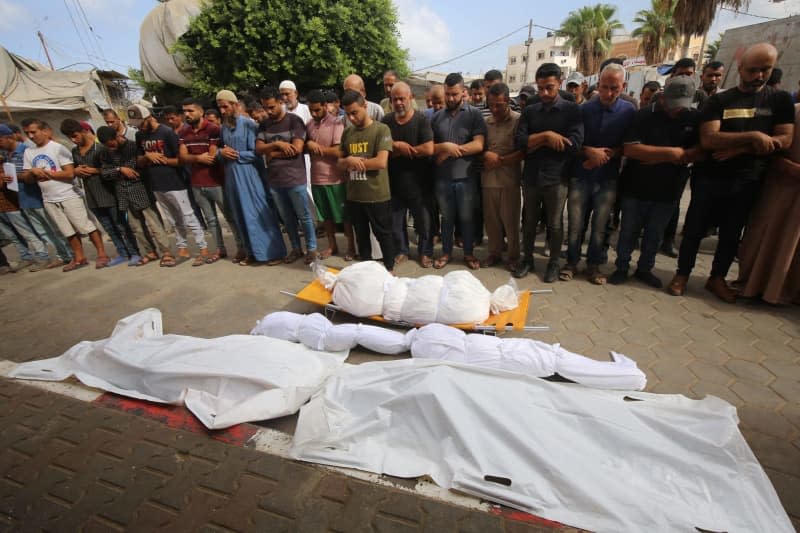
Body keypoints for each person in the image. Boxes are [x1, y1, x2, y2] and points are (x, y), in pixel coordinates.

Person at [668, 43, 795, 302]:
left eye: (765, 70)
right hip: (710, 177)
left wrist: (741, 148)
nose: (759, 76)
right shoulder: (721, 100)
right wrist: (755, 137)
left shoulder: (779, 100)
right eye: (753, 70)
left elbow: (784, 139)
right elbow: (710, 139)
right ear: (740, 69)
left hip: (748, 179)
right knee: (694, 228)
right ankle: (682, 274)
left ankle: (717, 278)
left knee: (731, 232)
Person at [610, 77, 704, 289]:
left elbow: (700, 151)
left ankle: (645, 269)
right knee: (628, 232)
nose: (675, 110)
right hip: (636, 187)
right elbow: (631, 149)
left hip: (669, 190)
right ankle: (622, 267)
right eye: (672, 104)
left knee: (655, 234)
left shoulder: (693, 117)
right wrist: (673, 154)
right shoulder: (644, 115)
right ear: (662, 97)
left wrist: (654, 156)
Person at [563, 63, 635, 284]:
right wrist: (589, 152)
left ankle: (593, 265)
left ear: (623, 86)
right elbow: (572, 143)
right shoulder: (583, 110)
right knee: (575, 226)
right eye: (604, 87)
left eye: (614, 88)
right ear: (598, 85)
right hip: (580, 176)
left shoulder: (629, 111)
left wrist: (609, 154)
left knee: (600, 228)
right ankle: (572, 263)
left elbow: (630, 145)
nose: (609, 93)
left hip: (608, 179)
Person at [514, 65, 583, 282]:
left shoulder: (571, 110)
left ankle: (554, 263)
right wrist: (546, 137)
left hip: (557, 177)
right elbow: (519, 143)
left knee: (554, 224)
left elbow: (575, 145)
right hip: (532, 177)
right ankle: (527, 260)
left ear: (560, 83)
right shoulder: (530, 110)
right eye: (540, 88)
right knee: (529, 222)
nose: (544, 93)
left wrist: (534, 143)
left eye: (549, 88)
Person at [20, 118, 109, 271]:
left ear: (45, 131)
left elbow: (69, 174)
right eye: (27, 133)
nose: (31, 136)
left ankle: (102, 254)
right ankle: (79, 257)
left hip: (68, 194)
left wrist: (48, 174)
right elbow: (26, 177)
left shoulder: (58, 148)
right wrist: (33, 173)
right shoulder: (29, 152)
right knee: (67, 230)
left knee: (86, 226)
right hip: (48, 198)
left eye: (33, 132)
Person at [734, 101, 800, 304]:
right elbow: (768, 146)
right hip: (781, 187)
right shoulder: (792, 111)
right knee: (768, 234)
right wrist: (786, 166)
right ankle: (755, 285)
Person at [129, 104, 210, 267]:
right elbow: (137, 160)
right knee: (173, 220)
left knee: (188, 216)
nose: (140, 127)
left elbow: (182, 160)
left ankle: (203, 249)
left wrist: (165, 160)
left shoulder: (167, 133)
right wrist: (147, 156)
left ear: (149, 117)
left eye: (141, 123)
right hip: (157, 184)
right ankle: (182, 249)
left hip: (175, 182)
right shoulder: (140, 136)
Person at [215, 89, 287, 265]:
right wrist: (221, 152)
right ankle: (251, 252)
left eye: (225, 107)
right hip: (232, 177)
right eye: (220, 108)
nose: (223, 111)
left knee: (257, 214)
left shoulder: (249, 125)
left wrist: (237, 155)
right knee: (240, 214)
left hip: (250, 176)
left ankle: (273, 253)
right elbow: (220, 151)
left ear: (235, 105)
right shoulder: (223, 128)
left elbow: (257, 152)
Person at [60, 120, 138, 267]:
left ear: (83, 131)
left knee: (121, 225)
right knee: (109, 228)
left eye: (75, 135)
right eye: (70, 137)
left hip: (109, 193)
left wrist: (95, 171)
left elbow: (115, 169)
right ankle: (122, 253)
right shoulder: (75, 151)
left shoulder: (101, 149)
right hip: (92, 196)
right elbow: (73, 170)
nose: (73, 139)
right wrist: (76, 171)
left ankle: (134, 252)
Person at [431, 73, 486, 270]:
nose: (451, 98)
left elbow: (479, 145)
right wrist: (443, 147)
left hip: (466, 178)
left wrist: (452, 151)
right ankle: (446, 252)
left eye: (454, 94)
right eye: (447, 94)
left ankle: (469, 253)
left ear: (464, 92)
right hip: (442, 179)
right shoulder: (436, 117)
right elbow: (431, 148)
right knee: (446, 218)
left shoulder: (474, 115)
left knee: (466, 218)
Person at [257, 86, 317, 264]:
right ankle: (296, 249)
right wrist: (281, 145)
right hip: (275, 180)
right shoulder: (264, 124)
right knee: (287, 219)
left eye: (272, 107)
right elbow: (259, 148)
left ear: (280, 103)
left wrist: (272, 152)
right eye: (265, 108)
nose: (269, 111)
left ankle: (312, 249)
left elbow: (297, 149)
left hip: (294, 178)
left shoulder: (295, 121)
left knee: (304, 216)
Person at [337, 90, 395, 271]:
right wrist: (347, 161)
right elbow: (339, 163)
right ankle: (366, 272)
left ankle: (389, 270)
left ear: (365, 106)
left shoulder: (381, 129)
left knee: (384, 235)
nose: (351, 118)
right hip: (355, 196)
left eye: (355, 112)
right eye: (347, 114)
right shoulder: (347, 133)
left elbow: (381, 162)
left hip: (377, 195)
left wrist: (355, 162)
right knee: (361, 238)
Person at [0, 124, 72, 268]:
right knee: (43, 232)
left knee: (54, 228)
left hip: (37, 196)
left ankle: (68, 255)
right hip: (23, 199)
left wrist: (14, 176)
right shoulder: (7, 155)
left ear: (9, 137)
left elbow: (31, 176)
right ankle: (60, 256)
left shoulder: (26, 151)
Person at [96, 126, 169, 267]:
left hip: (140, 189)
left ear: (117, 136)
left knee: (153, 224)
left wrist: (122, 170)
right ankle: (150, 252)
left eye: (111, 143)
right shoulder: (105, 153)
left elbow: (135, 167)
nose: (110, 147)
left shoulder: (133, 147)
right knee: (137, 228)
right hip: (122, 193)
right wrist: (120, 169)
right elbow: (105, 173)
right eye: (106, 145)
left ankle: (166, 252)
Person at [382, 81, 435, 268]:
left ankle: (425, 253)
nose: (398, 103)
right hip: (394, 183)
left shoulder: (421, 120)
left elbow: (428, 149)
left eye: (402, 99)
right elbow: (382, 149)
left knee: (423, 223)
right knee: (396, 223)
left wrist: (405, 150)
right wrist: (398, 146)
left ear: (411, 98)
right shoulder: (386, 122)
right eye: (394, 99)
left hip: (419, 184)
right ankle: (402, 250)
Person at [178, 97, 236, 264]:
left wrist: (192, 157)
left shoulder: (213, 129)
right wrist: (197, 157)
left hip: (216, 181)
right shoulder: (184, 132)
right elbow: (182, 156)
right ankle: (220, 249)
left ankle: (241, 247)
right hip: (197, 182)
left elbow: (210, 156)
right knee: (211, 220)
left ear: (201, 111)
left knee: (229, 217)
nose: (187, 114)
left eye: (190, 111)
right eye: (184, 111)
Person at [480, 82, 525, 271]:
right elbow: (479, 146)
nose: (495, 109)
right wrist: (485, 155)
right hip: (488, 180)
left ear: (507, 101)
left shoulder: (518, 120)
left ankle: (513, 257)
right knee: (491, 222)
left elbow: (523, 151)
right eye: (491, 104)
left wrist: (500, 160)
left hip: (509, 181)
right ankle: (494, 253)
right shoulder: (486, 122)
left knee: (511, 222)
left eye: (499, 104)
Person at [306, 89, 355, 260]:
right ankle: (332, 245)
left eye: (317, 110)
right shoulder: (309, 124)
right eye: (311, 110)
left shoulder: (336, 123)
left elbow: (339, 151)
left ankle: (351, 247)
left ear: (325, 106)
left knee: (344, 216)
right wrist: (309, 144)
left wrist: (317, 148)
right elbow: (304, 146)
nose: (314, 113)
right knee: (325, 217)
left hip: (336, 179)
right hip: (316, 178)